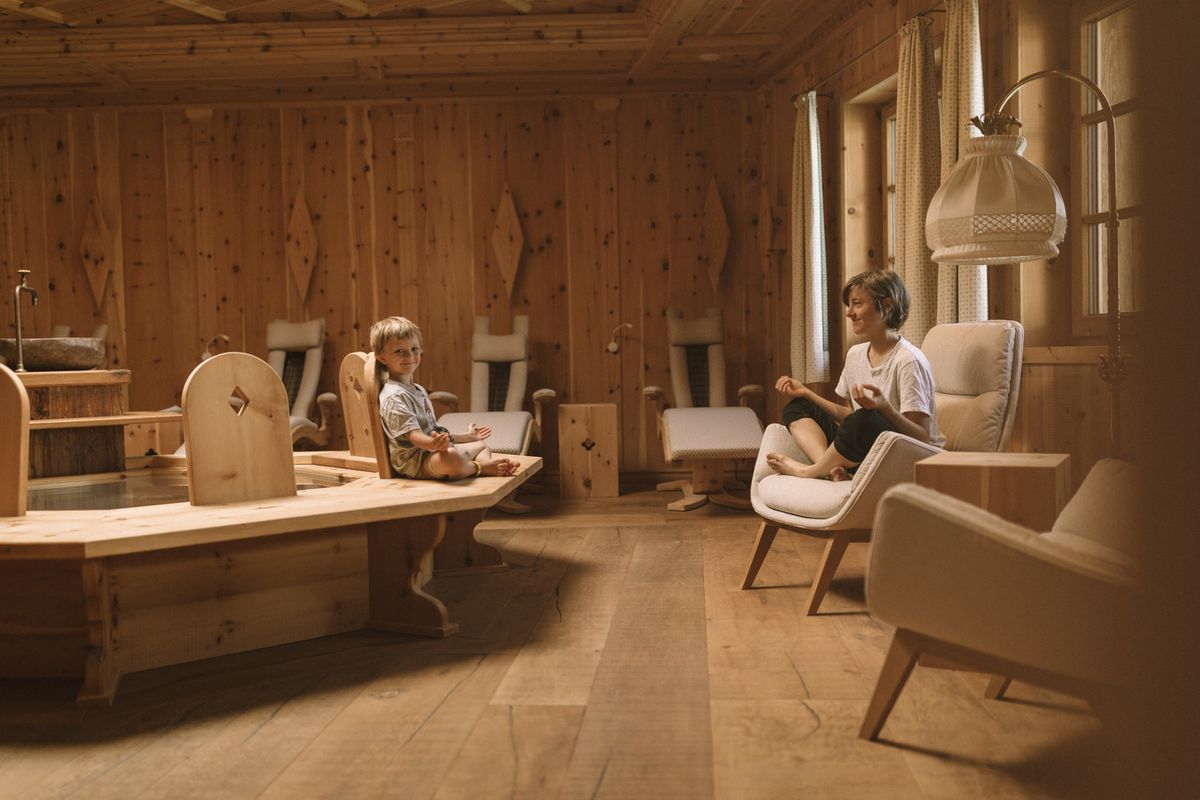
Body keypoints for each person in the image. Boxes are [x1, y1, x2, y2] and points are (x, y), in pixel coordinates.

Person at [767, 269, 943, 481]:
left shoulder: (908, 361)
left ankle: (809, 471)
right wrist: (806, 393)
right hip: (865, 449)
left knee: (866, 418)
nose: (849, 313)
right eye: (848, 305)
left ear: (887, 306)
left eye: (857, 304)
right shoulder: (855, 354)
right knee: (798, 406)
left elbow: (922, 437)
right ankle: (831, 469)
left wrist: (884, 407)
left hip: (904, 456)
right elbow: (849, 417)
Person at [369, 315, 517, 480]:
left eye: (414, 349)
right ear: (382, 358)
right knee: (451, 457)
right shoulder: (394, 397)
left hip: (433, 450)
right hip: (417, 462)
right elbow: (415, 437)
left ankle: (485, 467)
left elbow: (434, 430)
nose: (409, 356)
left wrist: (467, 436)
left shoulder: (418, 390)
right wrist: (433, 444)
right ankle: (480, 468)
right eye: (399, 351)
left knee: (481, 445)